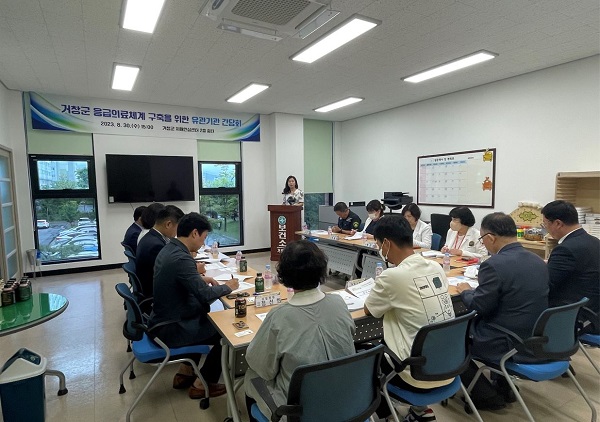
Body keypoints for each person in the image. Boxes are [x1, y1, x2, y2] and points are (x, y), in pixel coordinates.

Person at [244, 240, 356, 420]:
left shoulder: (279, 316)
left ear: (284, 275)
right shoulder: (339, 303)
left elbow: (263, 368)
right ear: (322, 271)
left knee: (251, 377)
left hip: (302, 411)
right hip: (349, 401)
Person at [364, 214, 454, 422]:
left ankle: (386, 416)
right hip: (449, 364)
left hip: (416, 374)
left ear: (386, 243)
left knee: (363, 359)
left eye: (378, 245)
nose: (379, 250)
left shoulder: (391, 276)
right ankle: (421, 410)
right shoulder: (435, 267)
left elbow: (370, 310)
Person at [454, 212, 549, 408]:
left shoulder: (494, 264)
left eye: (482, 239)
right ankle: (504, 386)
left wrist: (465, 292)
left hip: (504, 341)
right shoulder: (537, 260)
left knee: (451, 338)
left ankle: (486, 396)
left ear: (490, 238)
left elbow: (479, 305)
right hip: (536, 337)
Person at [149, 212, 239, 399]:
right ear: (195, 233)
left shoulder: (170, 249)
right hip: (172, 327)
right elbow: (204, 294)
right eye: (204, 237)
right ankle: (203, 384)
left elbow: (180, 280)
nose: (203, 243)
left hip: (162, 318)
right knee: (226, 332)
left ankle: (186, 371)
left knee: (206, 317)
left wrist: (199, 277)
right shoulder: (182, 258)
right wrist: (228, 287)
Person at [541, 200, 600, 318]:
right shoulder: (594, 241)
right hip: (594, 309)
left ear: (558, 223)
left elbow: (546, 285)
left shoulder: (565, 249)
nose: (546, 228)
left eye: (545, 224)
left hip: (575, 315)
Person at [136, 205, 184, 297]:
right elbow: (170, 275)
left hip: (150, 286)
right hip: (156, 295)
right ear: (168, 224)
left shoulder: (151, 237)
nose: (178, 232)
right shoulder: (156, 245)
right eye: (178, 227)